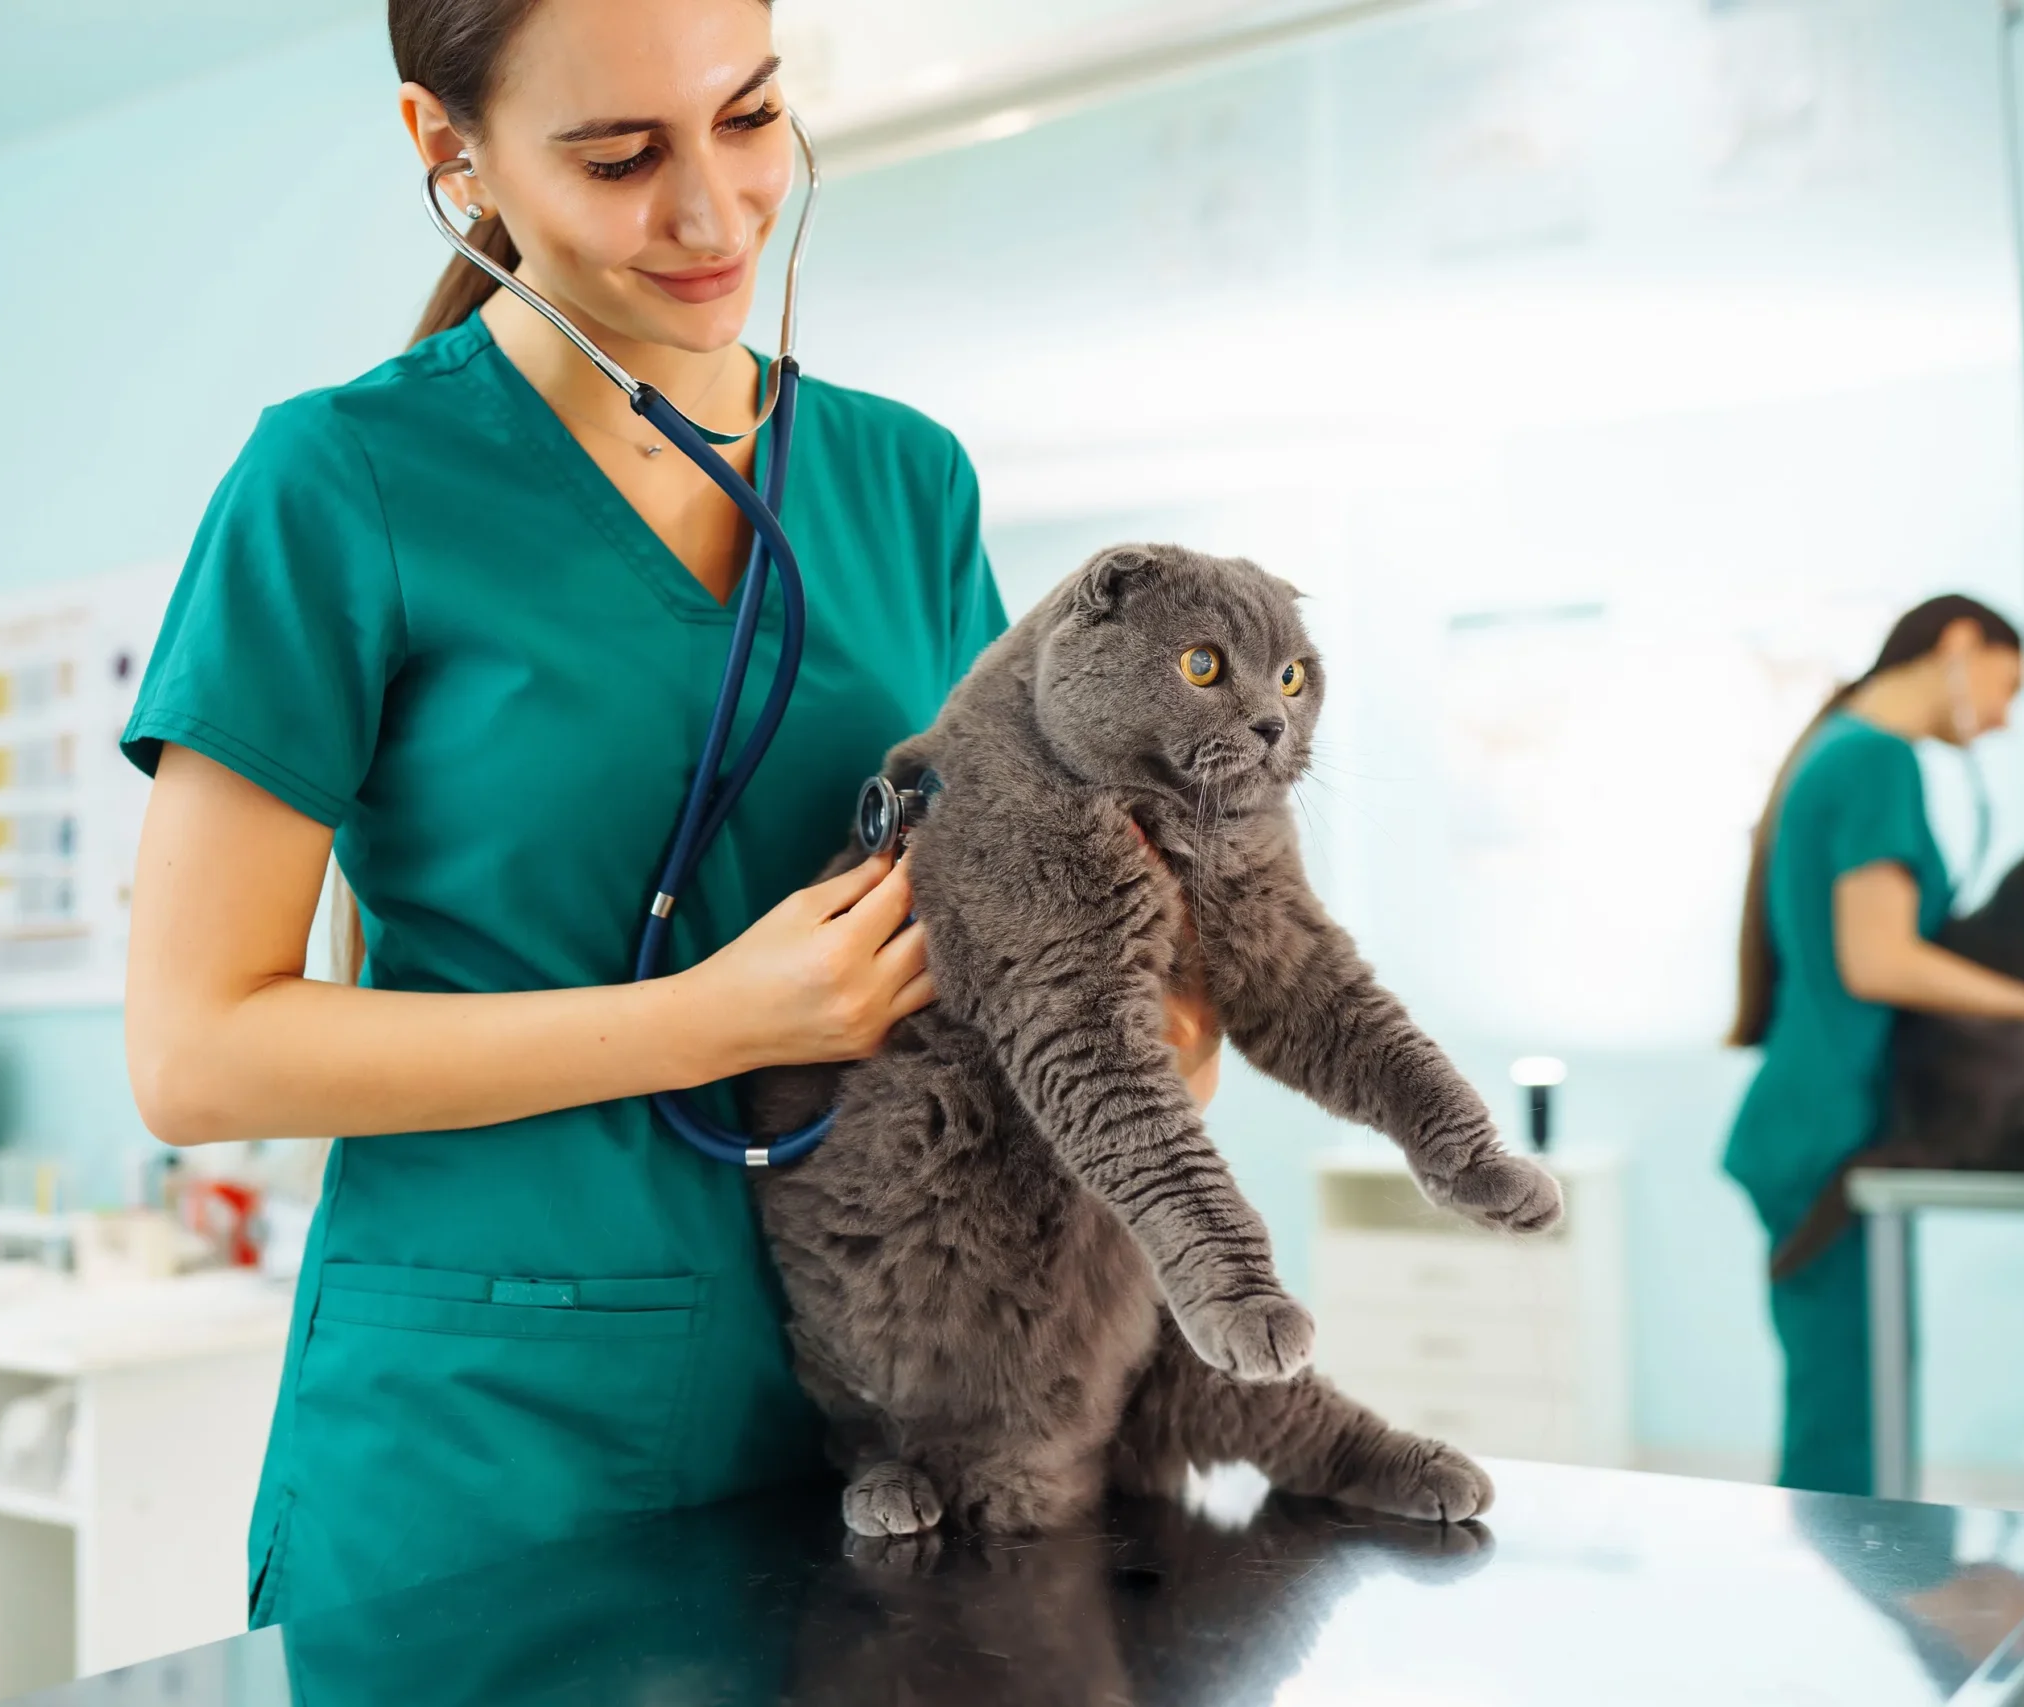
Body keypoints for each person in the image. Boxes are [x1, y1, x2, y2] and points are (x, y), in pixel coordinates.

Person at [118, 0, 1223, 1627]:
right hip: (487, 1440)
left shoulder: (908, 484)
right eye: (620, 156)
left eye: (751, 115)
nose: (711, 215)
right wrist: (702, 1020)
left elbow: (1032, 891)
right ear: (451, 150)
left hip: (878, 1415)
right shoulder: (340, 485)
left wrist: (1147, 1016)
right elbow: (195, 1056)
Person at [1724, 594, 2024, 1496]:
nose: (2008, 718)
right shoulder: (1874, 760)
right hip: (1828, 1125)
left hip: (1818, 1117)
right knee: (1845, 1426)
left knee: (1853, 1398)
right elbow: (1878, 959)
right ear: (1959, 643)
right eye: (2008, 687)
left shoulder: (1843, 751)